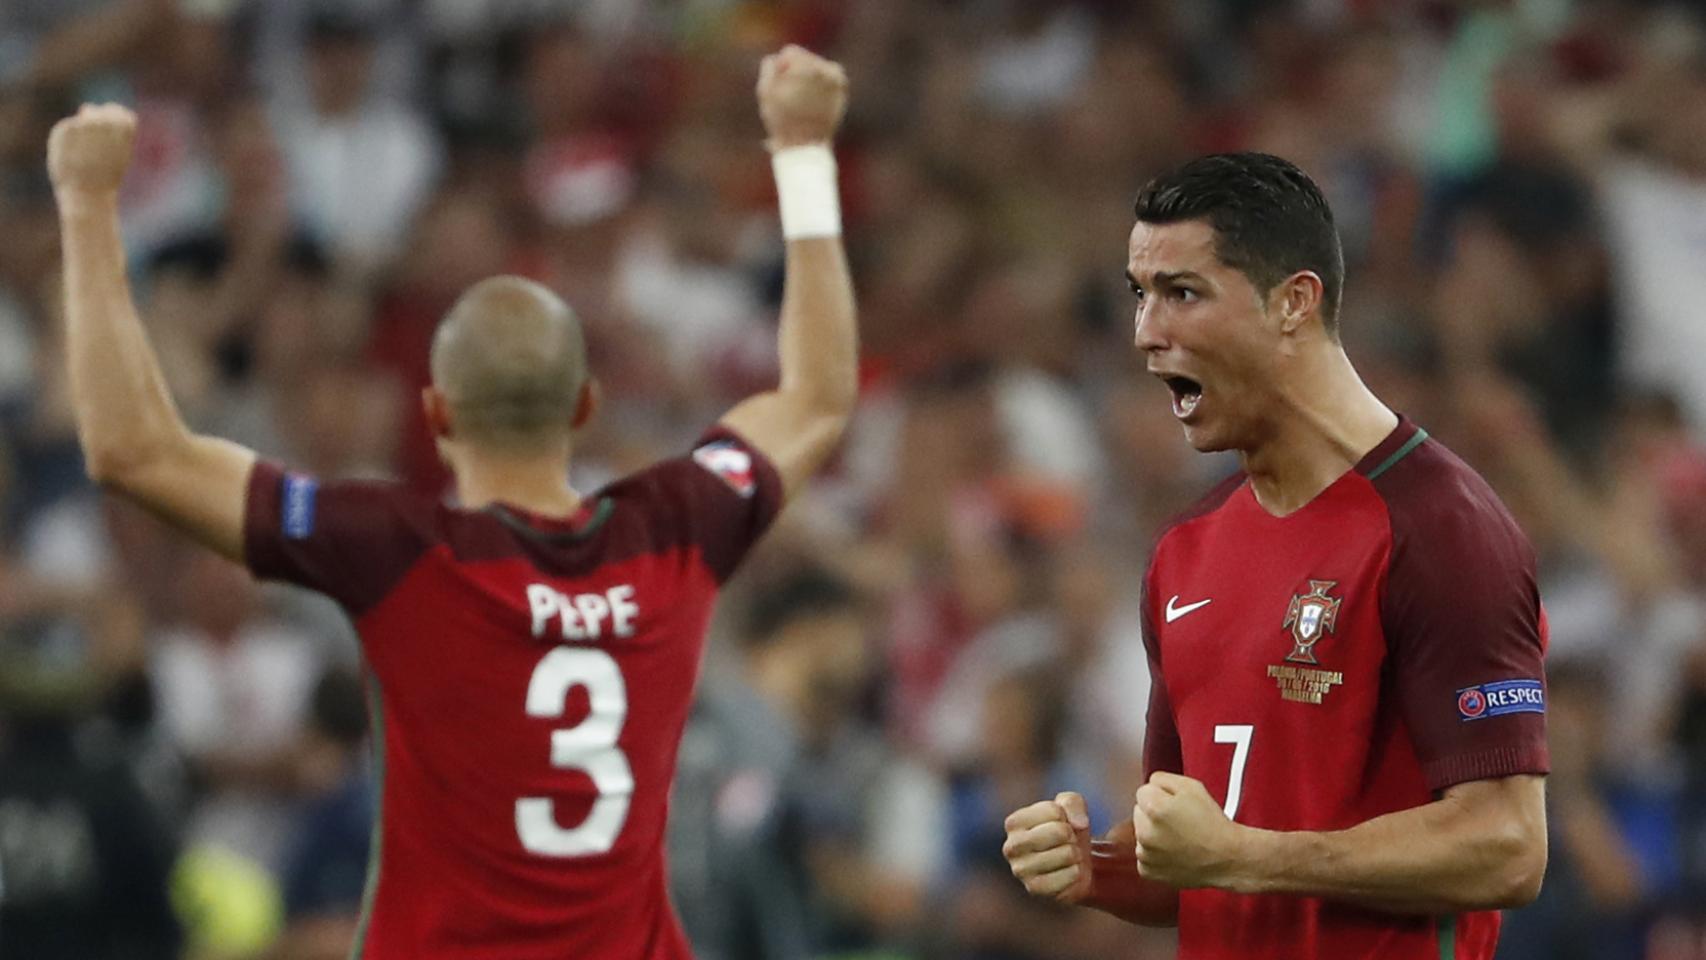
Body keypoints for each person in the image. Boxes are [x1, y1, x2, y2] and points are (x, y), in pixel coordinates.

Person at [47, 43, 856, 960]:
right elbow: (817, 399)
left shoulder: (397, 547)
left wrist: (86, 206)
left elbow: (132, 450)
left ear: (434, 414)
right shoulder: (675, 527)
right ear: (584, 408)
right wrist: (801, 151)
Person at [1000, 153, 1549, 959]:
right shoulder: (1185, 552)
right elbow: (1190, 862)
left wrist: (1246, 858)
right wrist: (1097, 867)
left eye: (1183, 293)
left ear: (1294, 301)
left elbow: (1508, 844)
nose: (1147, 333)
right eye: (1139, 295)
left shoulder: (1443, 529)